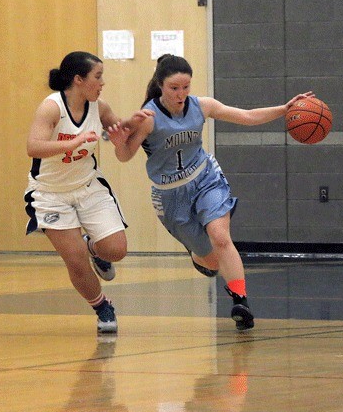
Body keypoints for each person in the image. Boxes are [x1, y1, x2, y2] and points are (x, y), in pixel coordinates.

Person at [108, 54, 314, 330]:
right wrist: (119, 144)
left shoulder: (201, 106)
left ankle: (241, 301)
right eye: (174, 88)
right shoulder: (148, 118)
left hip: (205, 178)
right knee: (212, 261)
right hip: (170, 195)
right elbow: (124, 156)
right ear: (160, 86)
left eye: (186, 87)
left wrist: (285, 108)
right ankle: (197, 255)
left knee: (220, 236)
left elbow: (247, 116)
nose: (181, 94)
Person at [24, 51, 153, 333]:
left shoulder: (99, 107)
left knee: (116, 250)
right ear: (78, 80)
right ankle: (101, 306)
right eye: (98, 76)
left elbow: (118, 131)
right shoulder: (51, 108)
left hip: (87, 186)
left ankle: (94, 249)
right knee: (75, 259)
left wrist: (132, 122)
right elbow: (34, 147)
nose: (102, 82)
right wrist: (72, 143)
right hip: (50, 193)